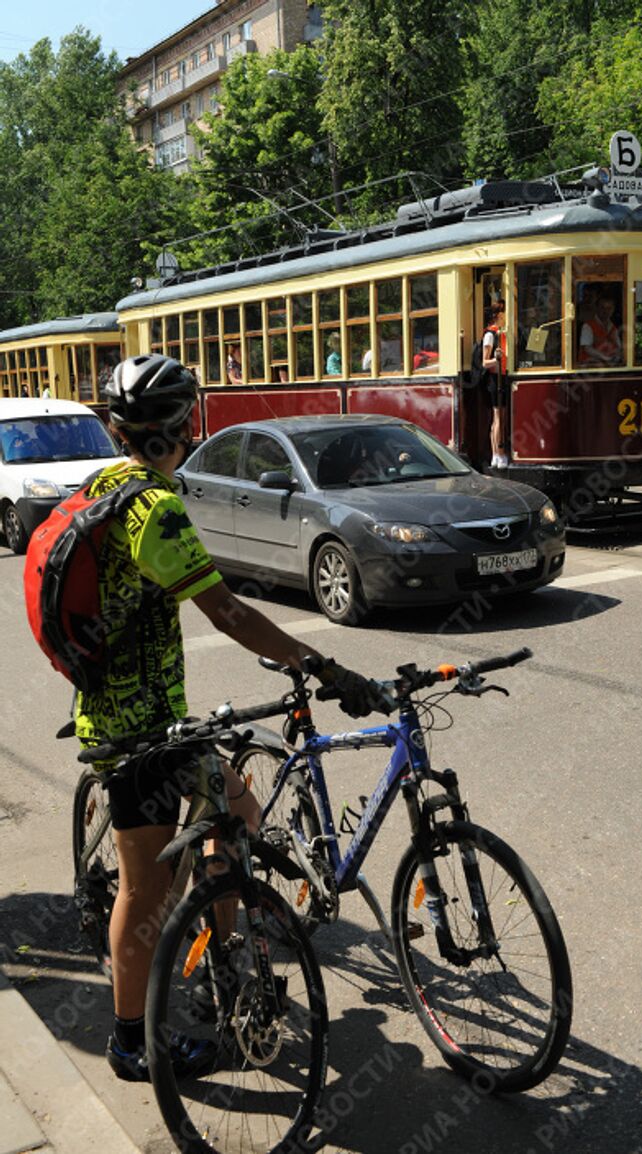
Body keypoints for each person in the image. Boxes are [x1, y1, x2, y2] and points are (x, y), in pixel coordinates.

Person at [79, 353, 379, 1083]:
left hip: (146, 718)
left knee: (236, 813)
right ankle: (130, 1044)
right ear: (184, 427)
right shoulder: (153, 508)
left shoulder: (104, 485)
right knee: (145, 889)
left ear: (119, 432)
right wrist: (321, 665)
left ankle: (221, 962)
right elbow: (229, 611)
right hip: (138, 732)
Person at [482, 301, 508, 468]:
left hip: (502, 377)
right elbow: (485, 362)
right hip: (495, 379)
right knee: (498, 417)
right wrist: (496, 359)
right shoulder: (491, 335)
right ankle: (499, 453)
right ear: (499, 315)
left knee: (499, 418)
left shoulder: (502, 333)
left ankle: (495, 455)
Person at [579, 293, 621, 365]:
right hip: (589, 368)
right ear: (597, 308)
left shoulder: (613, 328)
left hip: (608, 367)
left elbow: (619, 348)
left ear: (613, 310)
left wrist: (616, 357)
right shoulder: (588, 326)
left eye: (609, 308)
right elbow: (587, 348)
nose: (605, 311)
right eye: (602, 307)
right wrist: (605, 357)